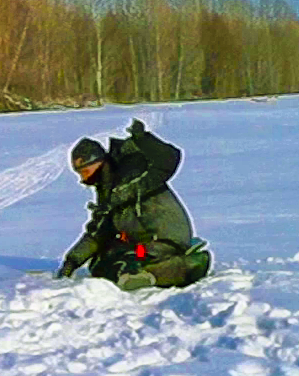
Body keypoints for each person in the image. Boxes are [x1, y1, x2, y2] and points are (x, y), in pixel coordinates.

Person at [58, 119, 211, 290]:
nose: (83, 179)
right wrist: (72, 261)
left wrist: (144, 138)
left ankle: (174, 269)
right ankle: (141, 274)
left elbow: (169, 160)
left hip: (163, 240)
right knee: (100, 263)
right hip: (139, 245)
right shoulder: (106, 190)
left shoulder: (137, 175)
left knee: (132, 258)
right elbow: (99, 231)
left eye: (85, 171)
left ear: (99, 162)